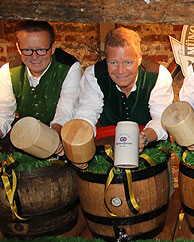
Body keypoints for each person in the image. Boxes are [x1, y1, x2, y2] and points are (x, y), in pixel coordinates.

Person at [75, 27, 173, 153]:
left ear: (139, 58)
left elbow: (162, 120)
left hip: (150, 150)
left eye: (127, 62)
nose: (121, 71)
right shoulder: (93, 75)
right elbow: (86, 116)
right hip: (107, 151)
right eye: (113, 63)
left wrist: (143, 138)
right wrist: (80, 146)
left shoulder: (158, 75)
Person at [0, 20, 81, 155]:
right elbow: (3, 114)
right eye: (27, 50)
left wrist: (51, 140)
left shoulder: (70, 67)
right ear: (18, 48)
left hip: (58, 142)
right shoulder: (7, 71)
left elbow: (65, 112)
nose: (34, 56)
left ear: (53, 47)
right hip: (24, 141)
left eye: (41, 50)